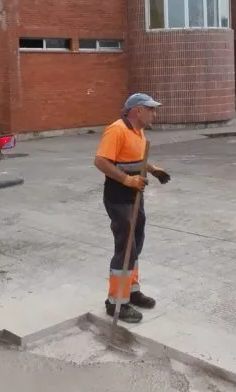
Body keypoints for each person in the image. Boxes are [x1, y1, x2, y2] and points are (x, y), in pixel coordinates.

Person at [94, 92, 171, 323]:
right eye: (151, 109)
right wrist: (127, 180)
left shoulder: (137, 131)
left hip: (135, 196)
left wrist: (152, 169)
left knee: (135, 245)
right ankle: (116, 302)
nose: (154, 114)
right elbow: (101, 161)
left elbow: (134, 160)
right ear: (138, 110)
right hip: (119, 198)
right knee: (125, 247)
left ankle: (132, 291)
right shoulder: (116, 130)